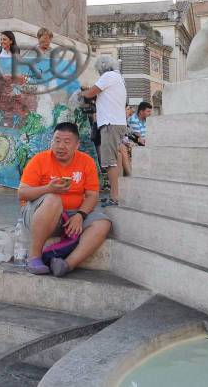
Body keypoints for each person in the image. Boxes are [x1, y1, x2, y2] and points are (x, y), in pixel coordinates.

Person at [17, 121, 111, 277]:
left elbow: (92, 195)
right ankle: (34, 257)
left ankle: (66, 265)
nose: (61, 146)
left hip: (73, 215)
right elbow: (22, 193)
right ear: (51, 142)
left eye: (67, 142)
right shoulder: (39, 160)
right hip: (39, 215)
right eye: (57, 140)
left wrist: (81, 215)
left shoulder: (86, 161)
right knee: (53, 199)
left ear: (77, 145)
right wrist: (48, 189)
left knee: (103, 223)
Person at [80, 54, 128, 205]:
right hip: (117, 122)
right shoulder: (118, 78)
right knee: (115, 159)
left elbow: (90, 93)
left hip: (110, 123)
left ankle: (115, 197)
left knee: (109, 162)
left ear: (101, 68)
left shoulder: (108, 76)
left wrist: (80, 93)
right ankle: (117, 194)